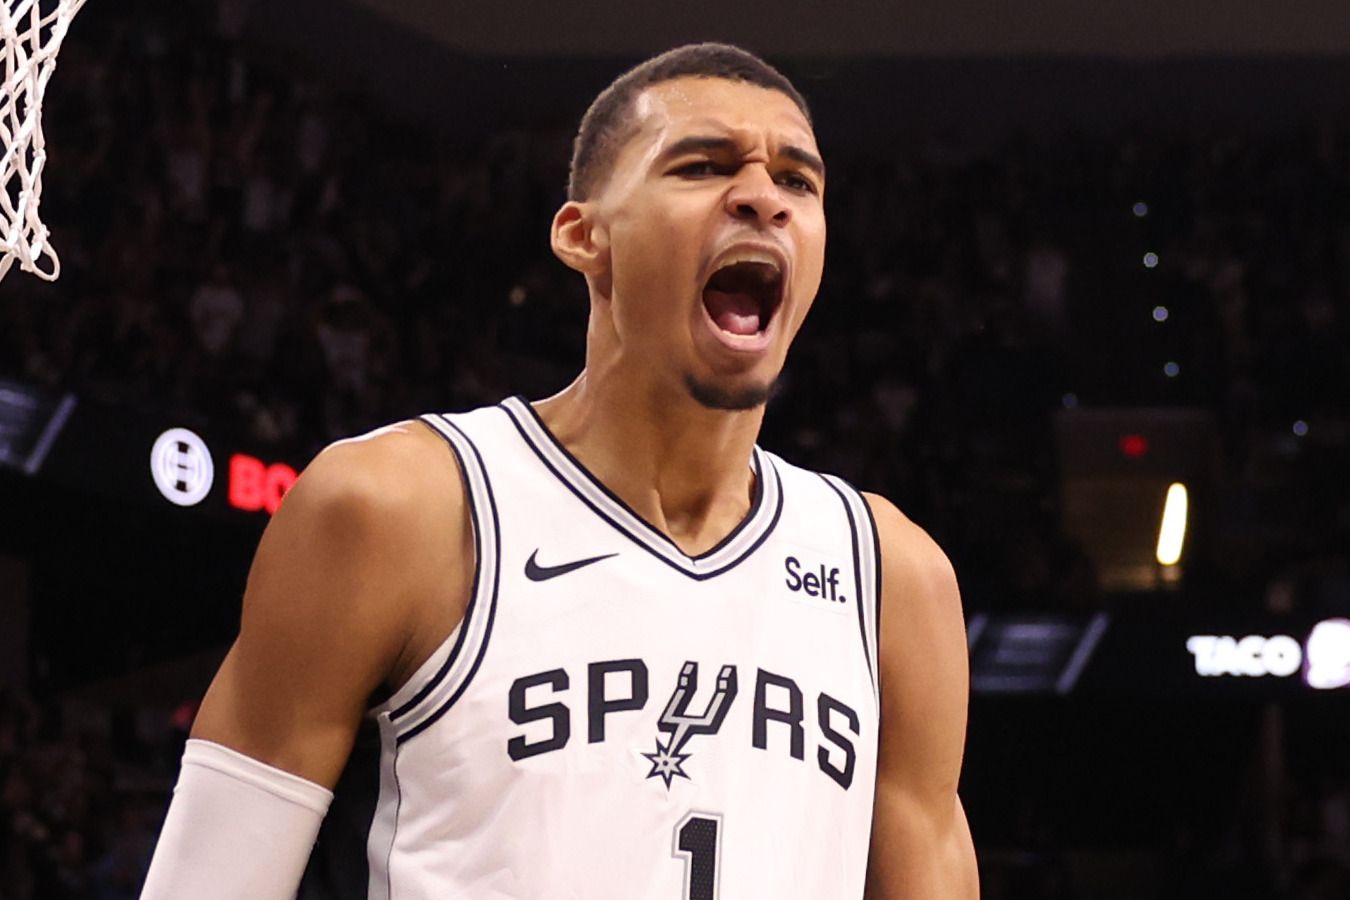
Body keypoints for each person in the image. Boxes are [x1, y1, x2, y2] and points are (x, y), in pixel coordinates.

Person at [141, 42, 978, 899]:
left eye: (798, 181)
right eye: (701, 166)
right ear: (585, 238)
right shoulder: (399, 508)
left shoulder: (894, 580)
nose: (763, 196)